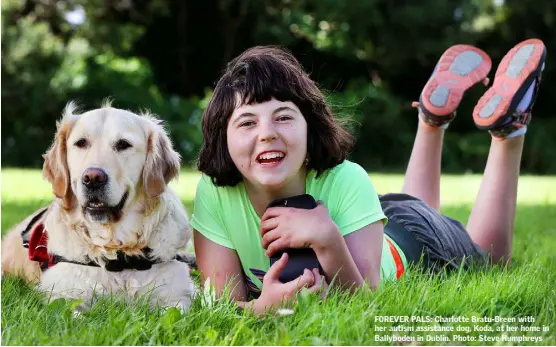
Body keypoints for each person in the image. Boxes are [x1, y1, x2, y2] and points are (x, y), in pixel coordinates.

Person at [191, 39, 546, 314]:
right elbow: (222, 304)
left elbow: (365, 303)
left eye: (283, 117)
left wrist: (328, 240)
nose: (266, 133)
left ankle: (508, 133)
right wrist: (260, 309)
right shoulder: (215, 193)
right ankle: (431, 120)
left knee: (492, 258)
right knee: (415, 203)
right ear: (223, 137)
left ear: (309, 128)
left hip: (418, 242)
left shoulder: (347, 179)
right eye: (247, 122)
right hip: (375, 220)